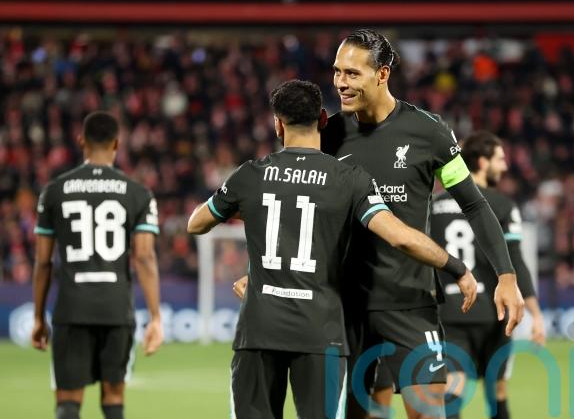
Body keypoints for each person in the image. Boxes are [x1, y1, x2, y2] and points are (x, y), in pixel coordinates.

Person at [234, 29, 525, 418]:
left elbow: (473, 203)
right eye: (337, 71)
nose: (340, 82)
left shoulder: (430, 132)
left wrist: (506, 275)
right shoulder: (328, 135)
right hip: (344, 306)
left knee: (428, 412)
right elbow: (292, 205)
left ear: (382, 74)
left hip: (410, 301)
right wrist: (259, 270)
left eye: (352, 73)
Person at [188, 80, 477, 419]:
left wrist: (253, 206)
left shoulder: (250, 176)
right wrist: (456, 267)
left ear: (277, 124)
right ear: (324, 119)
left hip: (259, 329)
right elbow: (400, 237)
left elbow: (196, 223)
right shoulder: (349, 179)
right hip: (319, 333)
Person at [31, 111, 163, 419]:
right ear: (117, 143)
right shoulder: (138, 193)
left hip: (72, 308)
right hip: (116, 310)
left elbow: (43, 262)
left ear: (81, 142)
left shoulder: (54, 191)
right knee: (114, 400)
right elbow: (144, 258)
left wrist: (38, 317)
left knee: (67, 402)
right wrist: (156, 317)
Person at [430, 131, 546, 419]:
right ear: (482, 162)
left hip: (450, 312)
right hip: (494, 314)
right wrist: (535, 314)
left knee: (453, 386)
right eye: (499, 159)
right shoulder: (502, 205)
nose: (505, 166)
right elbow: (516, 261)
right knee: (498, 389)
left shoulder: (433, 205)